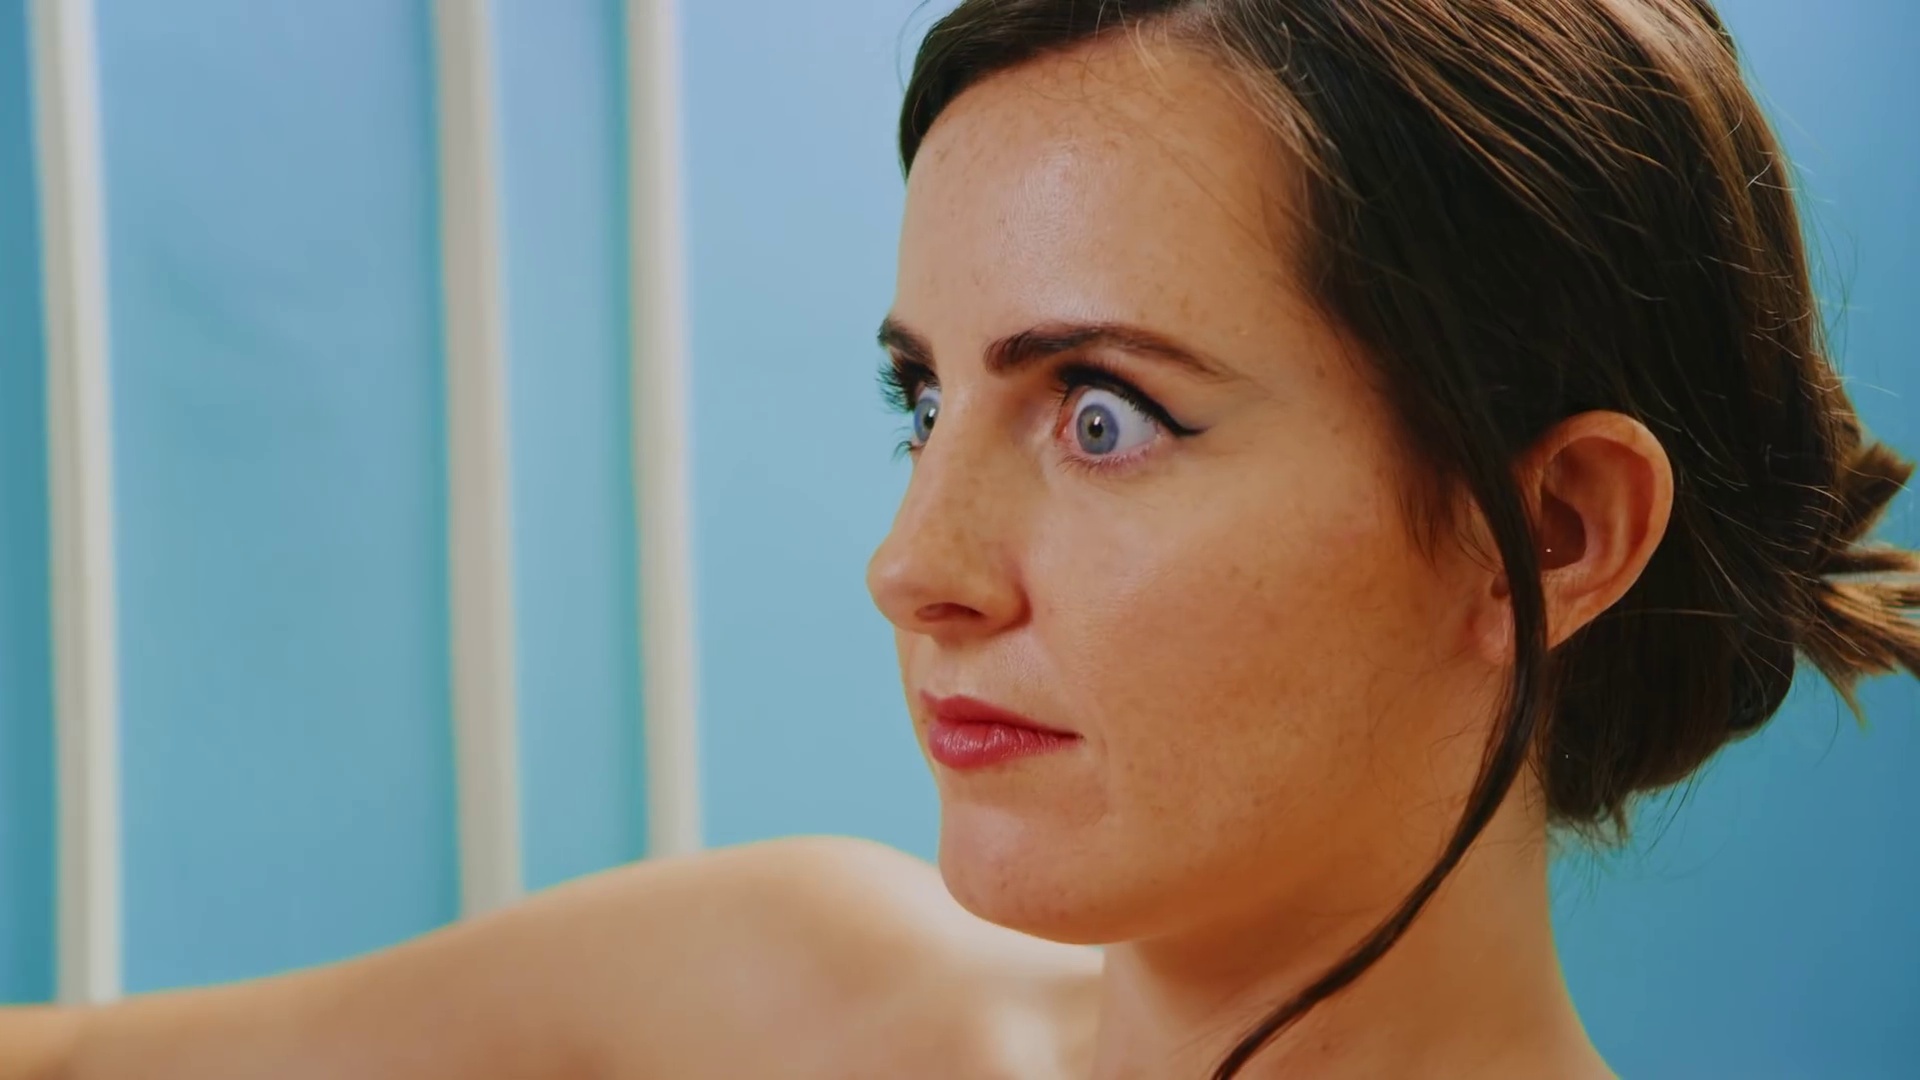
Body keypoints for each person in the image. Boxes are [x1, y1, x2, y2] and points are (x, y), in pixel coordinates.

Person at [6, 0, 1918, 1077]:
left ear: (1555, 535)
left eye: (1103, 415)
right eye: (924, 401)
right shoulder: (771, 1007)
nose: (912, 568)